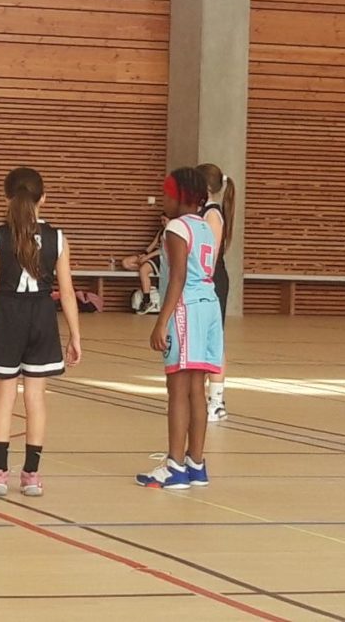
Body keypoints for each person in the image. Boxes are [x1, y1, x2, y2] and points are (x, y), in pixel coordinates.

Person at [0, 167, 81, 498]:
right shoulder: (57, 237)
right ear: (43, 198)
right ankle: (31, 475)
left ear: (6, 198)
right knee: (35, 398)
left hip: (7, 314)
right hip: (42, 315)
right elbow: (67, 291)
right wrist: (75, 335)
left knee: (4, 397)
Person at [137, 167, 223, 490]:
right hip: (209, 306)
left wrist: (161, 321)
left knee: (177, 389)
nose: (164, 199)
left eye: (167, 194)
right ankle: (196, 463)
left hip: (186, 308)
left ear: (180, 196)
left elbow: (178, 277)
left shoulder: (176, 227)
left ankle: (174, 466)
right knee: (196, 389)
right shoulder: (205, 226)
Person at [199, 164, 237, 422]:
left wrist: (203, 282)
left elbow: (209, 257)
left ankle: (217, 401)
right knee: (201, 340)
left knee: (214, 340)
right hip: (202, 282)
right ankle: (199, 397)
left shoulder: (212, 214)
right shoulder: (199, 212)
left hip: (211, 281)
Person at [120, 213, 170, 314]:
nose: (162, 223)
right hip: (152, 255)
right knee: (126, 262)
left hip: (161, 257)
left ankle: (147, 301)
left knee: (143, 270)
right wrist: (144, 254)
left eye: (164, 220)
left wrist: (147, 257)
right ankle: (145, 269)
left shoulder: (172, 233)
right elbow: (153, 245)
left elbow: (162, 250)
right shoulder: (161, 231)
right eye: (161, 220)